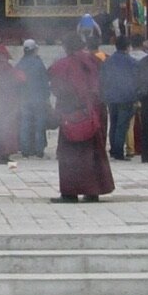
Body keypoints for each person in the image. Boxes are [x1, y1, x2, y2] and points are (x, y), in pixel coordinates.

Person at [48, 34, 112, 204]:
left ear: (66, 47)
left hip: (71, 114)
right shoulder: (95, 61)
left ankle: (70, 193)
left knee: (70, 155)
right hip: (92, 113)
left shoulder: (65, 64)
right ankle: (93, 191)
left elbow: (58, 88)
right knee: (91, 154)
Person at [17, 41, 52, 160]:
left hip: (24, 99)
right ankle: (39, 150)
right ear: (34, 50)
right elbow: (44, 81)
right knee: (39, 124)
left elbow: (17, 82)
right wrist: (47, 97)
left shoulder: (20, 64)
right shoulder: (38, 64)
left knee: (25, 124)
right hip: (38, 98)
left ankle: (25, 150)